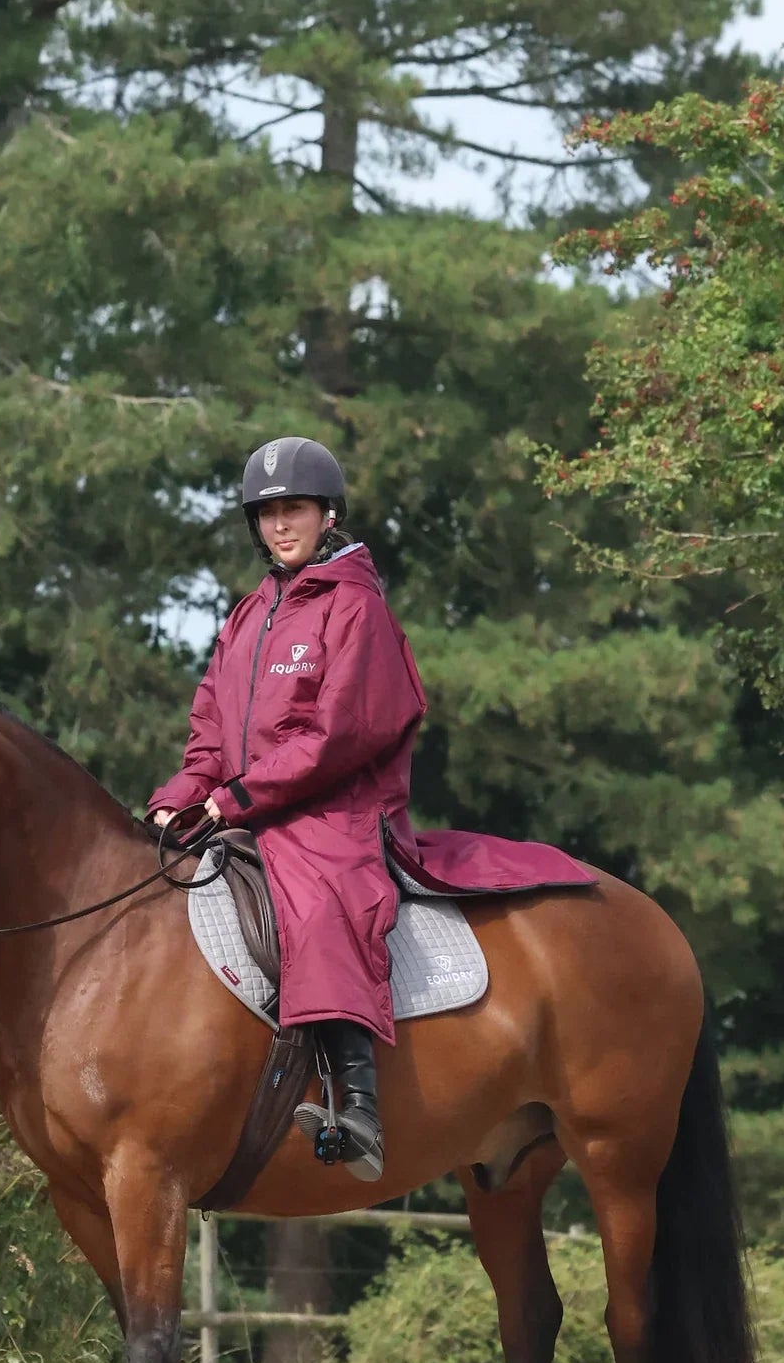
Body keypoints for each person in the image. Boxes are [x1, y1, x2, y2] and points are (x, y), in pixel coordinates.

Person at [148, 435, 595, 1181]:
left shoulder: (356, 608)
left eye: (294, 508)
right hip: (249, 810)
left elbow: (338, 737)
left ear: (328, 515)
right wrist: (176, 803)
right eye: (266, 512)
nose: (279, 524)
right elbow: (207, 737)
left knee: (321, 905)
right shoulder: (246, 617)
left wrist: (236, 799)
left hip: (336, 813)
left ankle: (357, 1104)